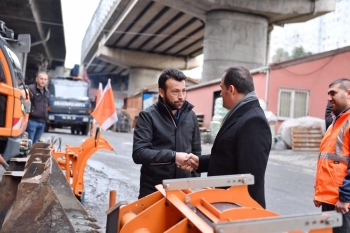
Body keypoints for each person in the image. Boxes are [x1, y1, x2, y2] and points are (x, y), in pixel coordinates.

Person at [189, 66, 272, 208]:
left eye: (222, 89)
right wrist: (199, 162)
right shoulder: (240, 114)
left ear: (231, 90)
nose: (220, 94)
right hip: (224, 204)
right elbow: (229, 156)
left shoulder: (253, 121)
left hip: (237, 210)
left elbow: (249, 179)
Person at [132, 68, 201, 199]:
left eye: (184, 91)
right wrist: (173, 156)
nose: (181, 96)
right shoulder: (148, 116)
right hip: (154, 190)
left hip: (184, 190)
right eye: (175, 91)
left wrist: (194, 181)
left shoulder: (191, 116)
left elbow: (196, 151)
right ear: (161, 92)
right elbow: (139, 153)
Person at [314, 78, 350, 233]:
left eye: (333, 93)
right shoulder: (335, 125)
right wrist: (319, 192)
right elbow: (327, 162)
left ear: (348, 94)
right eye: (328, 94)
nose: (329, 99)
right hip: (329, 200)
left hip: (342, 203)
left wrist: (345, 197)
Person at [26, 71, 49, 143]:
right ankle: (27, 154)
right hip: (32, 121)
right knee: (29, 143)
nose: (43, 81)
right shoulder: (30, 89)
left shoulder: (47, 91)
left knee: (36, 144)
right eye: (41, 79)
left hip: (42, 122)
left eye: (45, 79)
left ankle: (32, 154)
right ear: (37, 79)